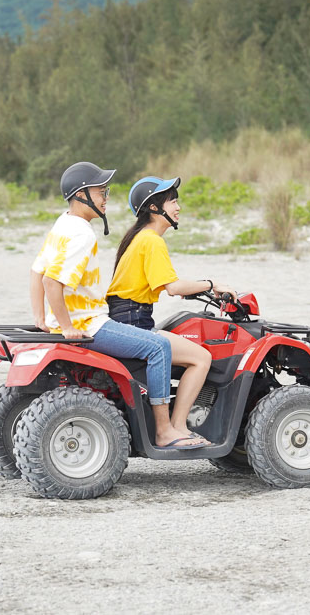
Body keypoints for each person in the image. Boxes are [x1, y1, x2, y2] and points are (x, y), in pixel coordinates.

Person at [30, 162, 206, 449]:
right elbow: (51, 281)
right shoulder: (83, 234)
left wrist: (42, 318)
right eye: (101, 191)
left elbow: (36, 271)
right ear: (82, 195)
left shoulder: (63, 224)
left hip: (91, 317)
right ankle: (165, 430)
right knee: (158, 347)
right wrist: (66, 327)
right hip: (90, 323)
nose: (106, 197)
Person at [106, 176, 236, 443]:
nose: (178, 207)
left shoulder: (139, 238)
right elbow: (173, 287)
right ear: (154, 208)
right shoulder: (151, 240)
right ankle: (175, 428)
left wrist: (201, 287)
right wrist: (211, 284)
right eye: (172, 200)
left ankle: (176, 426)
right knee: (201, 358)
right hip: (134, 322)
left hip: (129, 316)